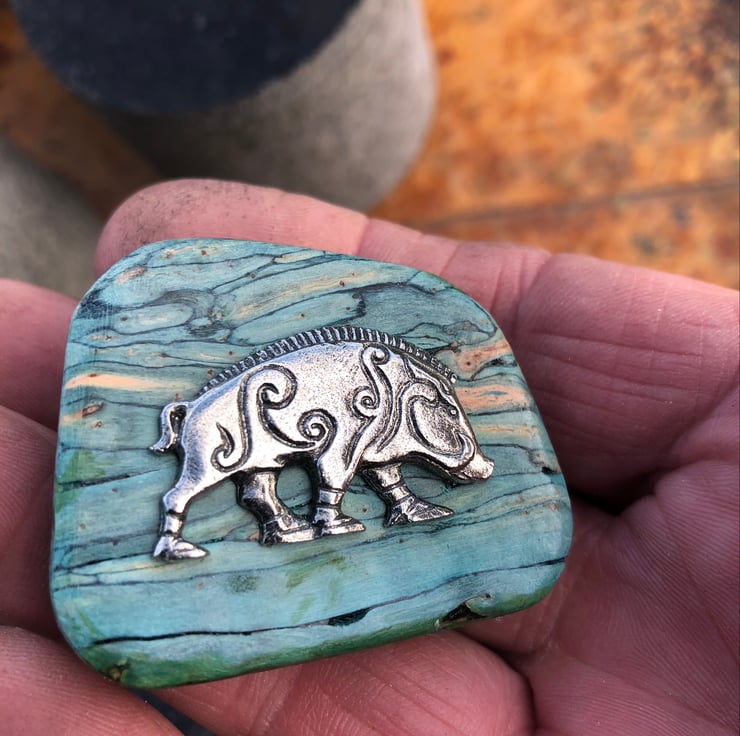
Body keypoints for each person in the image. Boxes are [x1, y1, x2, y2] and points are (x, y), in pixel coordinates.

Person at [0, 180, 737, 735]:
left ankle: (340, 510)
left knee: (306, 461)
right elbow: (348, 441)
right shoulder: (377, 384)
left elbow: (378, 440)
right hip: (242, 428)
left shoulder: (399, 385)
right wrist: (333, 503)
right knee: (215, 473)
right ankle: (195, 530)